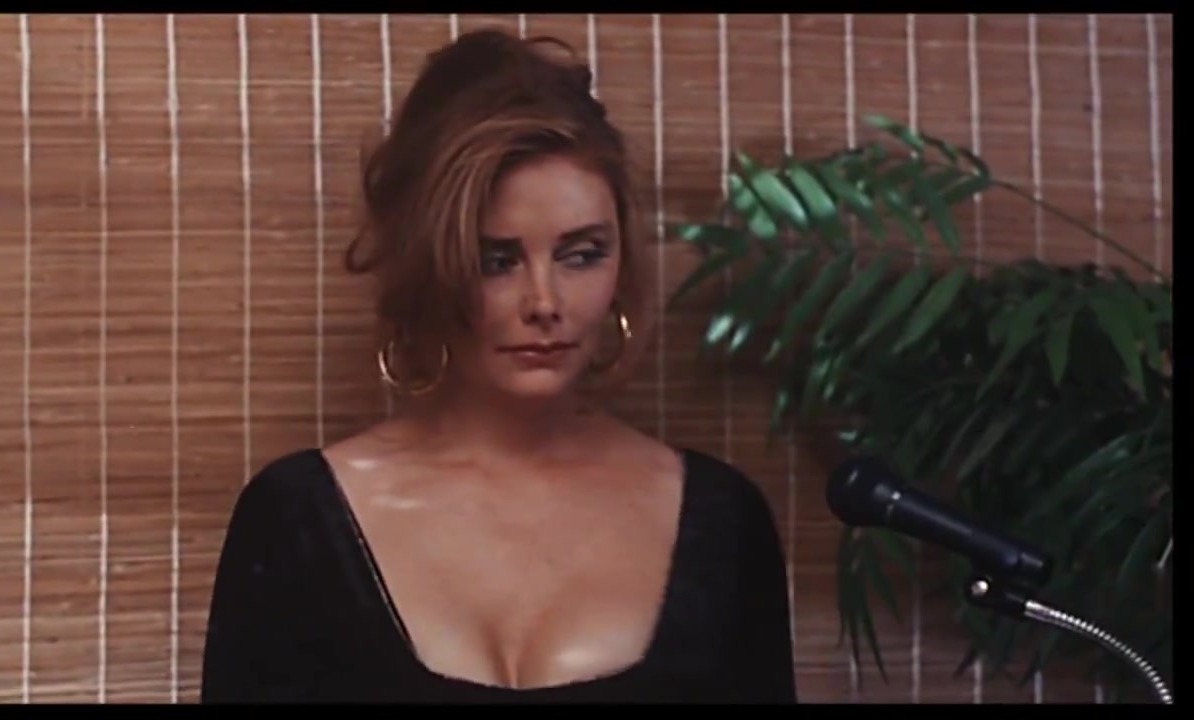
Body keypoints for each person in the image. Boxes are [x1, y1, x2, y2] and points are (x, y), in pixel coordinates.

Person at [199, 28, 797, 704]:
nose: (545, 303)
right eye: (497, 260)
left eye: (581, 255)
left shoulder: (721, 522)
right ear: (428, 264)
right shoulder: (298, 521)